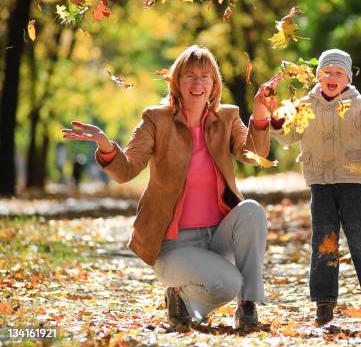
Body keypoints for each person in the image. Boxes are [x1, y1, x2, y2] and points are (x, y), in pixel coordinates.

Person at [62, 45, 273, 328]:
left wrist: (260, 112)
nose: (197, 84)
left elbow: (254, 156)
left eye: (205, 77)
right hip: (174, 245)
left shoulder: (227, 118)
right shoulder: (156, 120)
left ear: (214, 84)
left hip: (218, 237)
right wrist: (105, 145)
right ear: (177, 82)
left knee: (252, 211)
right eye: (189, 76)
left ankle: (247, 306)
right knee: (228, 284)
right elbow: (126, 170)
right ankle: (178, 291)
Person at [267, 48, 361, 326]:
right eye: (327, 72)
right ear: (317, 77)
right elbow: (288, 136)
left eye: (339, 73)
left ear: (348, 79)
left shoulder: (358, 103)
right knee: (325, 242)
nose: (332, 77)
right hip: (320, 182)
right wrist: (275, 118)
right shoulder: (305, 105)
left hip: (351, 180)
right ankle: (324, 302)